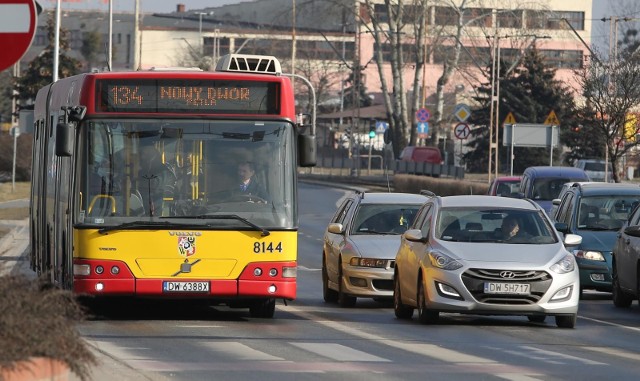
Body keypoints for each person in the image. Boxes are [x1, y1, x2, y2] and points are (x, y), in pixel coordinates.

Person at [136, 142, 177, 216]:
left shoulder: (164, 171)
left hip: (159, 211)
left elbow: (153, 183)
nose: (141, 157)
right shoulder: (142, 170)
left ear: (151, 155)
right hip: (141, 211)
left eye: (143, 154)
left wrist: (134, 181)